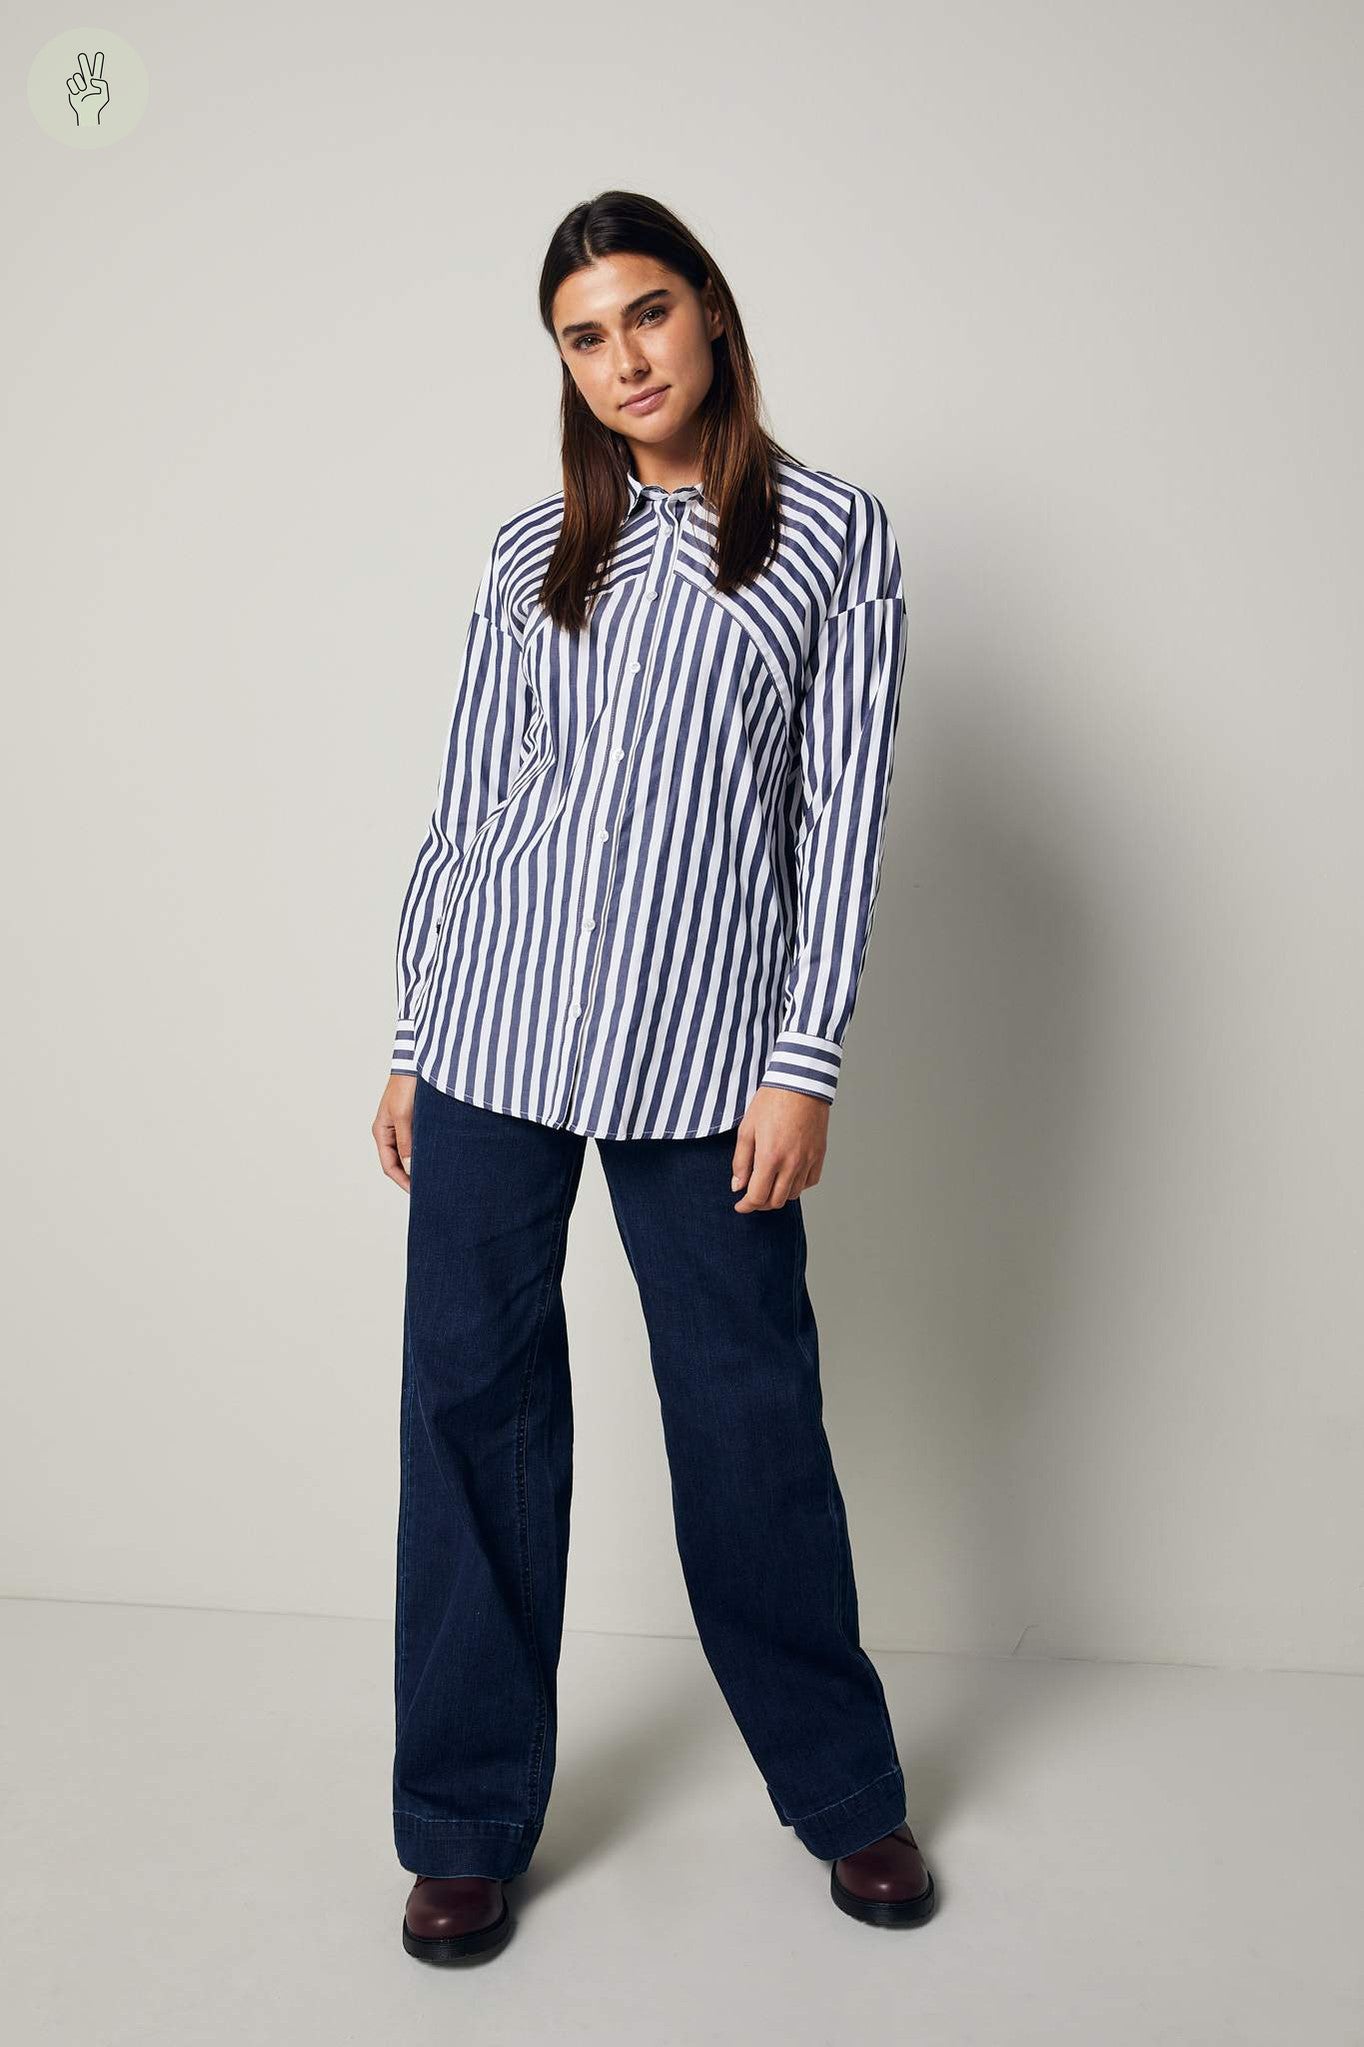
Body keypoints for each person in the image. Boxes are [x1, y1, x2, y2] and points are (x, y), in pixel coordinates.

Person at [372, 189, 936, 1964]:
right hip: (498, 1025)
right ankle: (464, 1825)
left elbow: (841, 820)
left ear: (711, 314)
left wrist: (802, 1062)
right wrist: (414, 1034)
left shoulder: (833, 536)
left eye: (646, 315)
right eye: (583, 336)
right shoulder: (532, 549)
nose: (622, 359)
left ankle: (843, 1793)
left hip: (711, 1055)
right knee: (470, 1410)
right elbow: (475, 804)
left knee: (749, 1414)